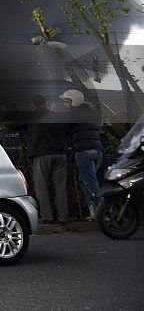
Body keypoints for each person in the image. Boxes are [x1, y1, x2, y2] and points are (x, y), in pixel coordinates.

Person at [11, 95, 69, 224]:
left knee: (41, 187)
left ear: (34, 104)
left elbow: (14, 125)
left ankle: (47, 216)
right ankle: (63, 217)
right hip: (59, 153)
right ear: (46, 102)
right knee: (60, 187)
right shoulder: (55, 115)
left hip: (41, 153)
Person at [62, 88, 103, 220]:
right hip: (97, 151)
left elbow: (62, 129)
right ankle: (93, 209)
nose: (65, 105)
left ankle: (102, 211)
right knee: (86, 180)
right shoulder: (92, 113)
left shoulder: (73, 115)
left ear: (74, 102)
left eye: (67, 102)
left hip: (83, 152)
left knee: (90, 182)